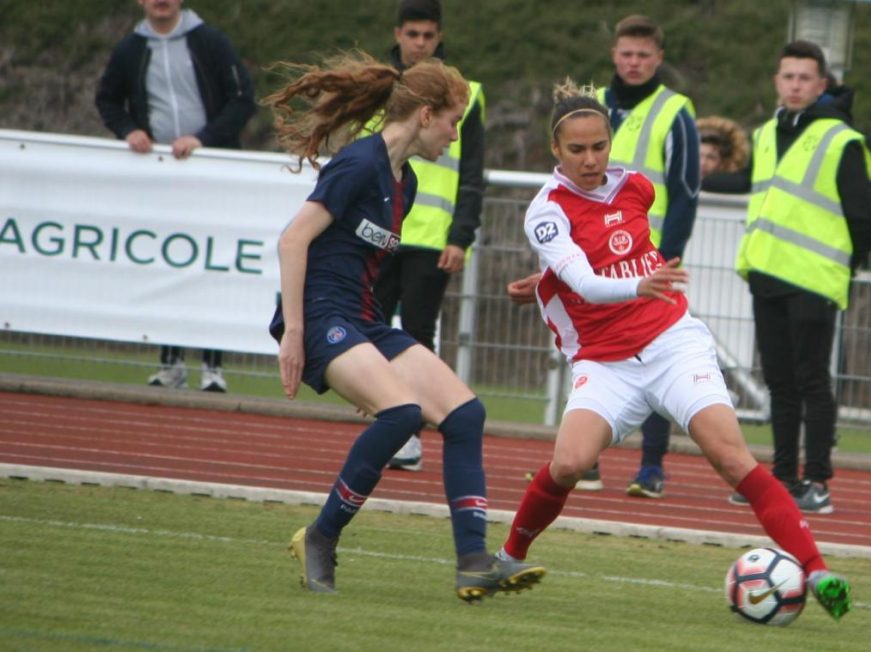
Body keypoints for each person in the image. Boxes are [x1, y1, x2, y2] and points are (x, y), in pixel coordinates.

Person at [498, 80, 851, 621]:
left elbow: (619, 253)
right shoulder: (546, 212)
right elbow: (589, 282)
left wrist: (562, 279)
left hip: (671, 342)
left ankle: (818, 569)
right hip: (606, 360)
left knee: (732, 459)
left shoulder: (637, 186)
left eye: (599, 146)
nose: (590, 159)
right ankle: (506, 559)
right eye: (577, 150)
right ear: (555, 150)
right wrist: (605, 283)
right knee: (568, 463)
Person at [263, 52, 543, 600]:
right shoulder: (359, 164)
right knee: (403, 414)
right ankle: (320, 536)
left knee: (466, 413)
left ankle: (474, 561)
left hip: (362, 318)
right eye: (452, 121)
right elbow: (293, 240)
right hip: (322, 316)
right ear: (423, 115)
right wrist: (294, 333)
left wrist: (368, 362)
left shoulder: (405, 181)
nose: (455, 136)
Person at [704, 41, 871, 514]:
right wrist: (683, 175)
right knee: (779, 383)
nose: (795, 85)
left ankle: (817, 481)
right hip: (766, 272)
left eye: (805, 78)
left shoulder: (841, 139)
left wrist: (847, 266)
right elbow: (745, 184)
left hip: (814, 279)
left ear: (822, 85)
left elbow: (865, 217)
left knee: (811, 382)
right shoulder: (766, 133)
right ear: (776, 82)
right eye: (788, 76)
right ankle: (782, 476)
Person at [95, 0, 256, 393]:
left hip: (212, 174)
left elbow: (242, 99)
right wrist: (129, 129)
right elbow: (108, 100)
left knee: (213, 266)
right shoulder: (130, 49)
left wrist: (204, 140)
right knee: (170, 264)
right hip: (162, 180)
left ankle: (213, 366)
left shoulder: (210, 42)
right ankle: (170, 363)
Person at [355, 0, 487, 474]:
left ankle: (408, 434)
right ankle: (388, 416)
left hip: (431, 237)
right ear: (398, 34)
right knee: (368, 327)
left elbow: (472, 173)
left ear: (439, 37)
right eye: (413, 35)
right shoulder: (378, 86)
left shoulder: (467, 93)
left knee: (416, 332)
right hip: (378, 229)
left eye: (429, 36)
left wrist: (461, 235)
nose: (421, 44)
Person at [581, 14, 701, 498]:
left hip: (648, 262)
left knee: (653, 354)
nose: (633, 63)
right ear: (614, 54)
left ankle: (650, 468)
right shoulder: (590, 105)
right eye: (626, 54)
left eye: (643, 56)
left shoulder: (675, 111)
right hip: (592, 259)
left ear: (658, 59)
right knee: (589, 353)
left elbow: (686, 189)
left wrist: (667, 256)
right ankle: (585, 462)